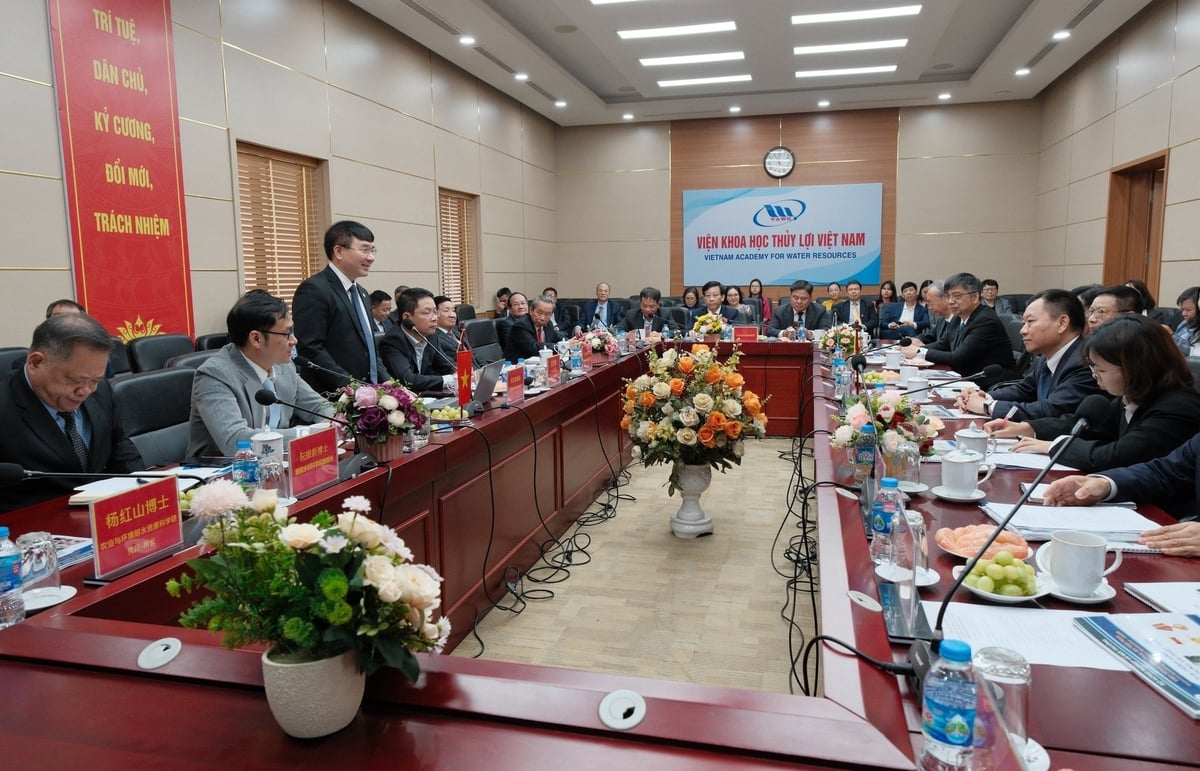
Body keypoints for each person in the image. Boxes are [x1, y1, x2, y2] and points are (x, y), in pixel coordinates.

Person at [986, 315, 1200, 475]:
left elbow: (1118, 456)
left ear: (1138, 367)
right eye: (1092, 369)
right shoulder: (1133, 396)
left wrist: (1054, 447)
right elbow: (1084, 425)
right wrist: (1030, 428)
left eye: (1102, 370)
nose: (1095, 378)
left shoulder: (1176, 406)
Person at [0, 313, 143, 512]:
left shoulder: (100, 391)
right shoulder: (6, 406)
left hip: (102, 518)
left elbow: (119, 446)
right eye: (75, 381)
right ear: (35, 363)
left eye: (95, 380)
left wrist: (145, 490)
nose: (85, 391)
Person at [187, 292, 336, 461]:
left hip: (278, 464)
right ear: (256, 338)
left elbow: (320, 407)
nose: (294, 340)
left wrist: (332, 422)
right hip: (223, 473)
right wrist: (310, 434)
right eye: (287, 334)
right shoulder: (214, 375)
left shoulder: (284, 365)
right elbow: (235, 440)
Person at [957, 289, 1098, 420]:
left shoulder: (1085, 362)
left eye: (1030, 322)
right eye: (1024, 323)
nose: (1022, 331)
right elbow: (1024, 390)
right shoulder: (1048, 356)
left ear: (1062, 323)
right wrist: (984, 396)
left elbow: (1051, 410)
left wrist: (987, 406)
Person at [292, 220, 390, 391]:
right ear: (339, 251)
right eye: (365, 249)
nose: (371, 257)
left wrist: (388, 383)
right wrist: (351, 386)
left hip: (370, 394)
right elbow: (311, 349)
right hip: (335, 396)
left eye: (372, 250)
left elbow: (369, 348)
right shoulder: (314, 289)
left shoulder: (362, 293)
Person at [898, 272, 1017, 388]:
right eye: (948, 296)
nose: (950, 301)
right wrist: (913, 350)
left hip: (990, 384)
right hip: (966, 377)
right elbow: (942, 345)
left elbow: (957, 358)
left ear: (975, 297)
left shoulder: (985, 320)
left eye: (956, 296)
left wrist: (919, 352)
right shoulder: (958, 317)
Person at [379, 288, 457, 394]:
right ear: (407, 317)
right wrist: (450, 379)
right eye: (427, 312)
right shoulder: (393, 341)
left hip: (428, 397)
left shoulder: (430, 336)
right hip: (402, 401)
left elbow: (446, 365)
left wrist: (457, 372)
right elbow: (408, 380)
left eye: (435, 312)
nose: (434, 318)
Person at [766, 280, 830, 340]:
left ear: (810, 298)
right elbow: (769, 330)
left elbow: (827, 331)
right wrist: (784, 333)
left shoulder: (819, 311)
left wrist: (810, 334)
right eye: (795, 298)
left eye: (803, 298)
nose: (799, 302)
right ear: (790, 296)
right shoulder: (779, 311)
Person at [505, 295, 562, 362]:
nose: (542, 318)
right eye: (539, 313)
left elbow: (555, 337)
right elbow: (533, 348)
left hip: (540, 365)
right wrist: (560, 346)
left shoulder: (548, 324)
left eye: (547, 314)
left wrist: (570, 342)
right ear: (531, 310)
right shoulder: (521, 325)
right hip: (516, 366)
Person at [432, 294, 461, 360]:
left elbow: (474, 355)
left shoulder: (458, 332)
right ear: (435, 314)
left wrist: (484, 368)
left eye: (453, 311)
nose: (452, 315)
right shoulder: (435, 338)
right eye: (446, 311)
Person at [1172, 286, 1199, 355]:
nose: (1183, 314)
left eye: (1188, 310)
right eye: (1182, 309)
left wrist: (1170, 336)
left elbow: (1194, 353)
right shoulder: (1184, 323)